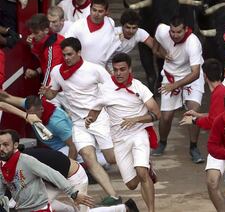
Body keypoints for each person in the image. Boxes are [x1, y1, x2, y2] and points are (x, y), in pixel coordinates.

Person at [40, 37, 122, 206]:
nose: (66, 58)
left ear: (79, 53)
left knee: (111, 158)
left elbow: (113, 89)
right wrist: (46, 92)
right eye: (64, 55)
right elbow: (52, 94)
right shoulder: (57, 71)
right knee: (88, 157)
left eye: (70, 54)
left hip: (99, 118)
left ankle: (141, 162)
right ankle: (114, 196)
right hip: (78, 122)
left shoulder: (94, 69)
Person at [86, 53, 159, 212]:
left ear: (130, 69)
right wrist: (89, 119)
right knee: (132, 184)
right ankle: (147, 169)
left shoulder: (139, 87)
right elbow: (95, 110)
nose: (118, 73)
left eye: (122, 69)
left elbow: (156, 113)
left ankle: (151, 209)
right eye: (116, 69)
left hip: (139, 133)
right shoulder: (105, 88)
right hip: (119, 140)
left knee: (141, 172)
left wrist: (137, 119)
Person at [152, 16, 205, 164]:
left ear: (186, 29)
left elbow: (195, 73)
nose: (175, 35)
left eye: (178, 32)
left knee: (193, 110)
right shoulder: (162, 31)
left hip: (191, 76)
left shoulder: (193, 42)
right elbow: (155, 49)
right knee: (166, 116)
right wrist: (163, 54)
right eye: (172, 31)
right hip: (171, 75)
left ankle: (193, 147)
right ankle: (162, 142)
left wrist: (175, 86)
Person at [0, 129, 94, 212]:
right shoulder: (5, 163)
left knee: (82, 210)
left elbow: (53, 174)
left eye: (5, 145)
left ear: (15, 145)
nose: (1, 149)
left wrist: (73, 193)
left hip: (73, 175)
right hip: (50, 181)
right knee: (37, 202)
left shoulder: (26, 160)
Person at [180, 58, 225, 212]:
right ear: (221, 73)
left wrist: (194, 120)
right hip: (221, 146)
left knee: (216, 185)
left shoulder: (219, 93)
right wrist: (198, 114)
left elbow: (214, 122)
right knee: (212, 183)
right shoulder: (221, 91)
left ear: (205, 76)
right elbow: (217, 116)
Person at [23, 148, 139, 212]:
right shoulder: (20, 160)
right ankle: (70, 210)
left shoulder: (26, 160)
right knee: (36, 205)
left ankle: (124, 208)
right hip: (56, 180)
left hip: (74, 177)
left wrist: (73, 194)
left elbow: (56, 177)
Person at [0, 92, 76, 159]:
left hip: (67, 148)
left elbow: (73, 146)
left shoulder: (57, 124)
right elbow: (7, 98)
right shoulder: (31, 104)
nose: (29, 116)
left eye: (32, 114)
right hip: (53, 148)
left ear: (41, 109)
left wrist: (68, 169)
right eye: (28, 113)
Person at [65, 0, 120, 67]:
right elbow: (66, 44)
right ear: (90, 9)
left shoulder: (110, 22)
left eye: (100, 11)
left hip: (102, 70)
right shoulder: (78, 25)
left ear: (106, 12)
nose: (96, 14)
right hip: (82, 69)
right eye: (94, 10)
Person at [24, 14, 65, 83]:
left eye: (36, 33)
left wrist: (43, 93)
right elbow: (45, 62)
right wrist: (36, 71)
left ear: (46, 30)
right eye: (32, 33)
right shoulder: (50, 39)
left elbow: (51, 75)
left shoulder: (52, 48)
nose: (33, 36)